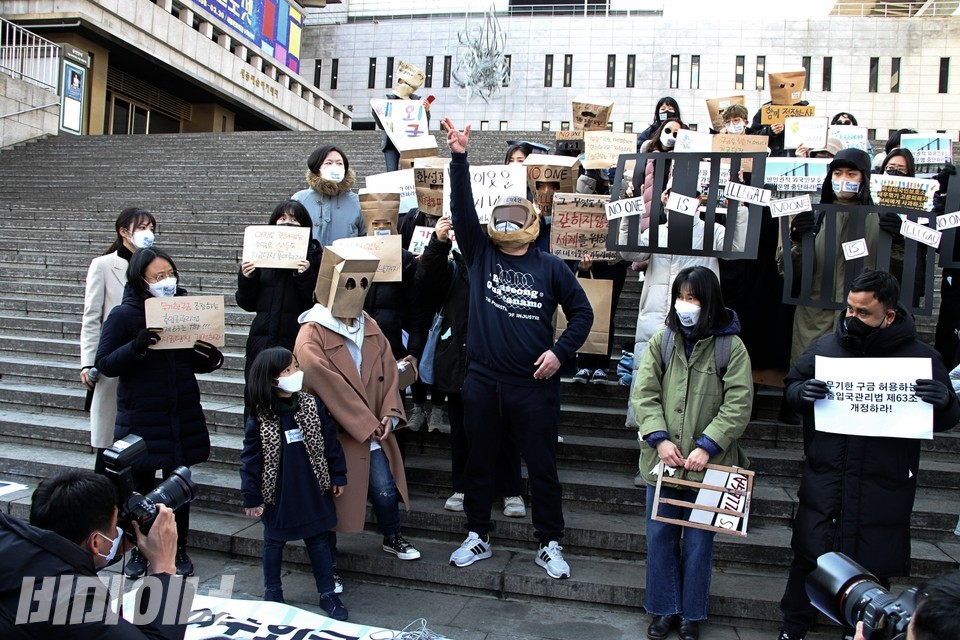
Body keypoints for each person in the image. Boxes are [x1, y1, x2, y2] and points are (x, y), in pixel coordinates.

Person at [441, 118, 593, 578]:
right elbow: (462, 209)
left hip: (534, 385)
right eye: (502, 215)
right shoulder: (480, 253)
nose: (508, 221)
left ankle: (549, 542)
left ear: (533, 222)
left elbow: (583, 314)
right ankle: (477, 534)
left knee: (542, 468)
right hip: (483, 381)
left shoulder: (551, 266)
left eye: (517, 215)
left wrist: (560, 353)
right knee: (479, 462)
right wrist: (459, 158)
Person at [775, 270, 960, 640]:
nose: (852, 317)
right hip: (827, 480)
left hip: (883, 486)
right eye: (850, 309)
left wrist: (945, 403)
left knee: (874, 564)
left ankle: (865, 630)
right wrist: (800, 394)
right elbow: (792, 387)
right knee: (809, 559)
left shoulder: (921, 358)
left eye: (863, 312)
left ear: (888, 314)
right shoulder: (826, 347)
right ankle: (793, 626)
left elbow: (945, 416)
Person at [632, 266, 752, 640]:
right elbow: (644, 393)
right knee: (660, 538)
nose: (686, 305)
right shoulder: (663, 341)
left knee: (699, 544)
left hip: (711, 467)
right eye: (681, 297)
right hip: (664, 462)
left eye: (693, 298)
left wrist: (708, 445)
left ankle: (691, 614)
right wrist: (659, 439)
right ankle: (663, 609)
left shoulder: (731, 347)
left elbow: (739, 403)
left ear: (709, 301)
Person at [95, 247, 224, 579]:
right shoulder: (124, 315)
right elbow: (105, 362)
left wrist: (209, 356)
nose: (167, 281)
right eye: (159, 276)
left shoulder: (184, 309)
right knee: (139, 489)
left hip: (181, 412)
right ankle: (139, 549)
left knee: (179, 485)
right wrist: (137, 346)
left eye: (171, 274)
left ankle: (178, 548)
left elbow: (196, 361)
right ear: (141, 279)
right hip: (142, 416)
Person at [294, 248, 421, 583]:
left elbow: (389, 372)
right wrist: (366, 422)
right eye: (350, 282)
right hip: (333, 433)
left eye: (364, 282)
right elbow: (325, 383)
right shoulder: (312, 331)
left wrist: (389, 412)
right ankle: (328, 562)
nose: (357, 289)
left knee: (384, 487)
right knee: (330, 496)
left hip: (374, 427)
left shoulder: (370, 324)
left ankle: (392, 535)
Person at [415, 215, 527, 517]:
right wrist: (439, 243)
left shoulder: (506, 265)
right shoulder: (453, 267)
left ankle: (511, 490)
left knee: (505, 429)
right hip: (460, 360)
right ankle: (462, 486)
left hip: (500, 362)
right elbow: (425, 283)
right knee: (462, 429)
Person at [0, 470, 194, 639]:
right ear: (95, 542)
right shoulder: (74, 605)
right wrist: (165, 568)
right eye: (115, 526)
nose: (117, 532)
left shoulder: (9, 536)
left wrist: (113, 547)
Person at [240, 347, 348, 619]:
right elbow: (251, 459)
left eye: (296, 367)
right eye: (288, 370)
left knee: (319, 540)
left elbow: (330, 443)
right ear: (272, 378)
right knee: (273, 542)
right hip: (278, 491)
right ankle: (272, 591)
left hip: (311, 486)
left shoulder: (311, 404)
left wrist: (338, 475)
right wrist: (251, 496)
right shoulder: (261, 414)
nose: (296, 373)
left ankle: (328, 593)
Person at [81, 207, 157, 472]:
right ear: (124, 232)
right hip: (114, 356)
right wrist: (88, 362)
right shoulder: (103, 265)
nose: (148, 233)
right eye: (142, 228)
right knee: (111, 436)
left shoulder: (156, 263)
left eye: (151, 228)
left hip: (148, 356)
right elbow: (92, 317)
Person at [236, 200, 322, 414]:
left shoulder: (315, 258)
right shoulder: (260, 256)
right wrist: (247, 278)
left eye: (294, 219)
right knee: (257, 400)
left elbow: (318, 304)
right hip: (261, 341)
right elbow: (247, 303)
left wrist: (305, 276)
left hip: (295, 341)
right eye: (282, 218)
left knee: (295, 403)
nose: (287, 223)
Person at [292, 146, 364, 245]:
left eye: (339, 163)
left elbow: (367, 235)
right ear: (317, 169)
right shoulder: (300, 199)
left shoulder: (357, 201)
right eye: (328, 163)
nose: (335, 167)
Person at [378, 60, 431, 172]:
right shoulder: (389, 101)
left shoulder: (417, 102)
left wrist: (426, 111)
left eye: (405, 83)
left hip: (409, 143)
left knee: (408, 173)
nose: (402, 85)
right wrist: (377, 109)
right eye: (400, 82)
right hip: (391, 144)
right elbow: (381, 124)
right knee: (391, 173)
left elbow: (424, 125)